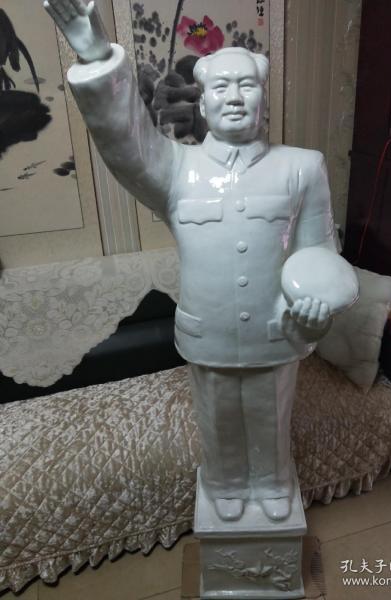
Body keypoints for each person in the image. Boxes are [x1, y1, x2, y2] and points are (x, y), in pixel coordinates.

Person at [43, 0, 338, 522]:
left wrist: (319, 305)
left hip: (275, 330)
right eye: (221, 87)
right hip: (209, 334)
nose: (234, 97)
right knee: (218, 419)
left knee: (270, 414)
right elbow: (124, 141)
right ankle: (225, 481)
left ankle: (272, 479)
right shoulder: (177, 170)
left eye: (246, 85)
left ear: (263, 96)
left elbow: (318, 251)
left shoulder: (303, 168)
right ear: (203, 101)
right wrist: (96, 57)